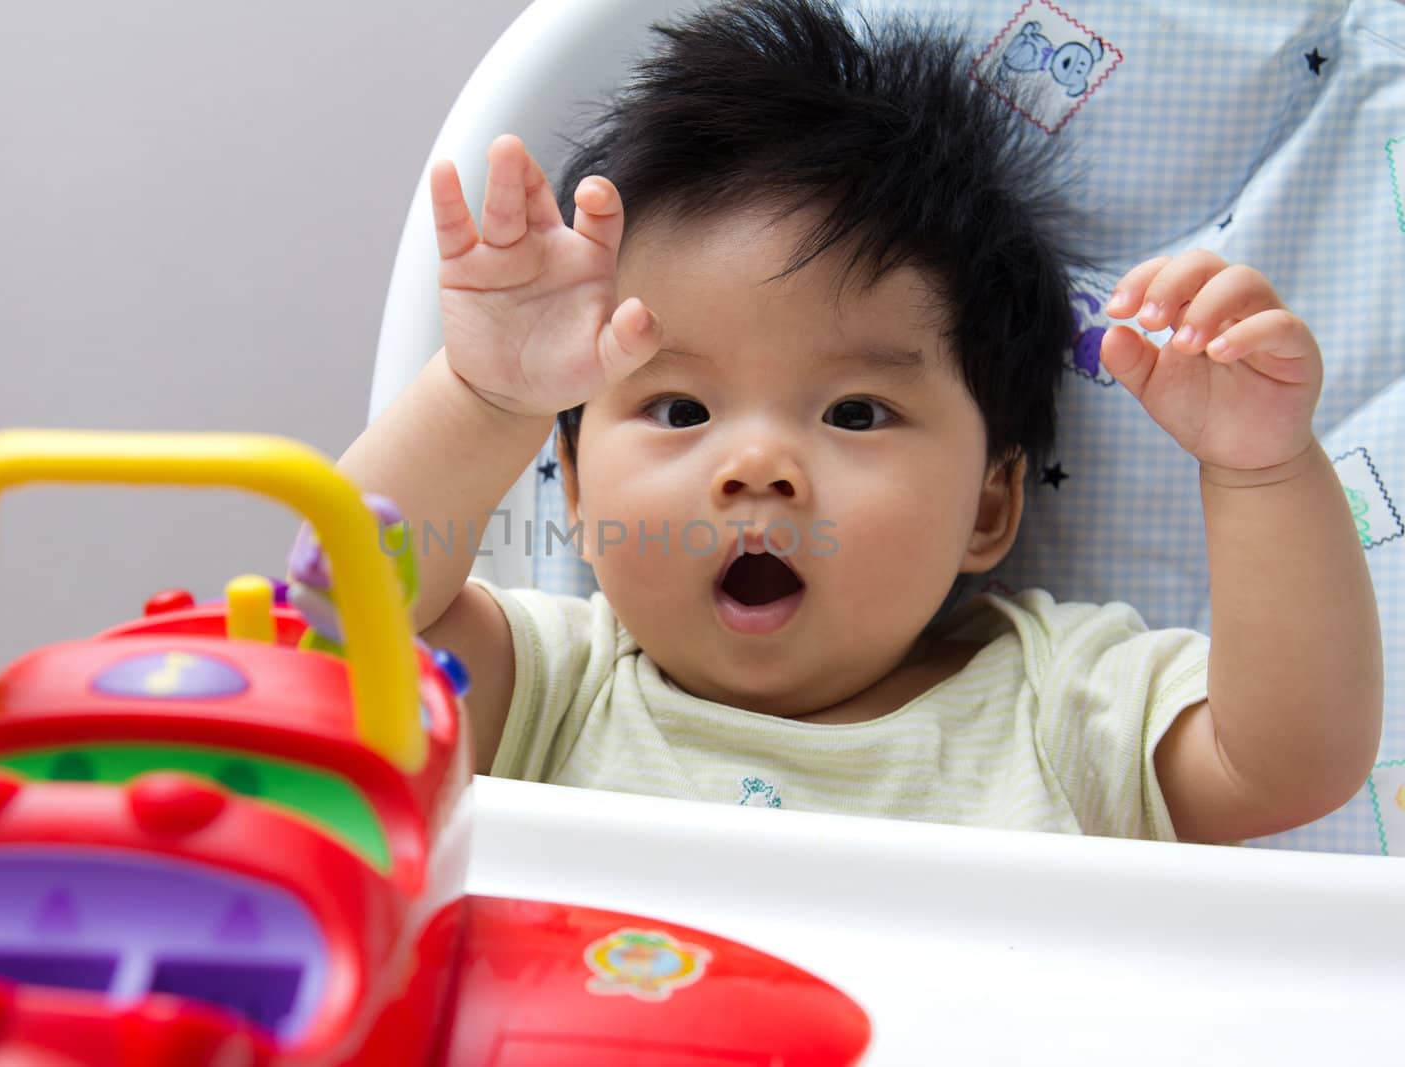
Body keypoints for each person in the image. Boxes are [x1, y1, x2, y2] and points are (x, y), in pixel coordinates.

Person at [327, 0, 1381, 843]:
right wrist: (484, 398)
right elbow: (334, 634)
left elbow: (1285, 763)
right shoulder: (552, 685)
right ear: (575, 484)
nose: (757, 466)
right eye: (680, 406)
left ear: (989, 501)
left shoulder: (1061, 708)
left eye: (856, 411)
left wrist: (1258, 468)